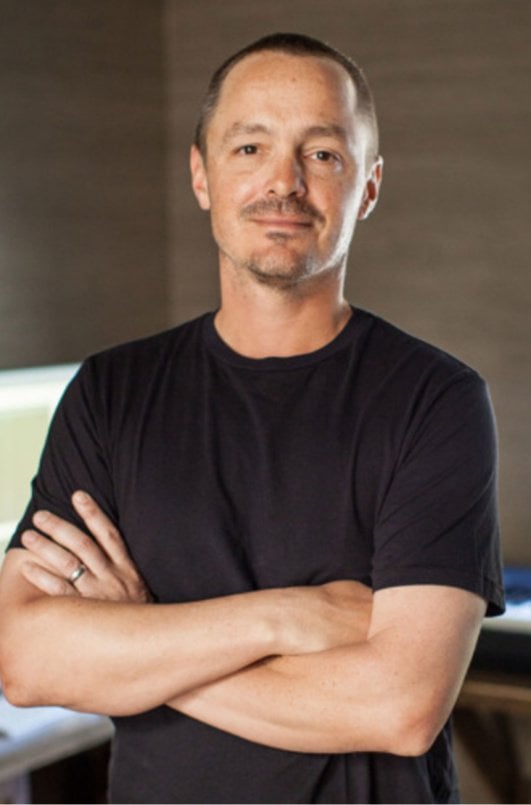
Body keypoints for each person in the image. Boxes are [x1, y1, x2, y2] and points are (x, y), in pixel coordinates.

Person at [0, 32, 503, 804]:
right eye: (248, 147)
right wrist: (287, 617)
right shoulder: (109, 393)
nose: (283, 183)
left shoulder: (435, 399)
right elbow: (24, 659)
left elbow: (398, 707)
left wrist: (139, 641)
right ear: (201, 174)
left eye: (322, 154)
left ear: (368, 185)